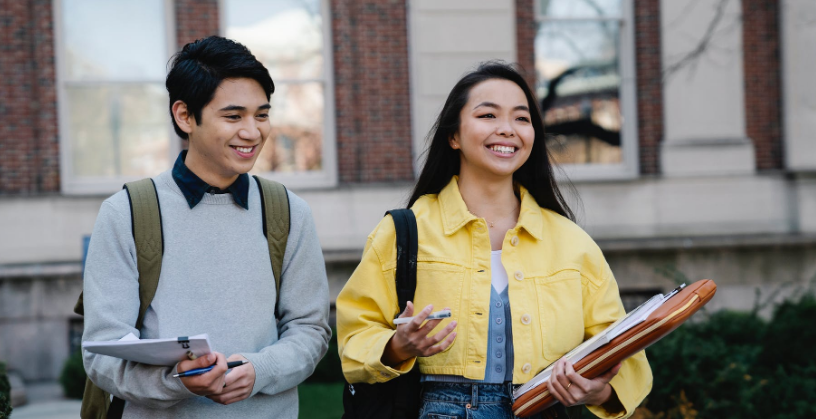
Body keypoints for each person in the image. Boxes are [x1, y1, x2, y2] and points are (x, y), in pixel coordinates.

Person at [336, 62, 652, 419]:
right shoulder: (403, 232)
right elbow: (354, 339)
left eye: (521, 119)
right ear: (453, 136)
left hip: (544, 409)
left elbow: (626, 353)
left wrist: (600, 390)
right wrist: (397, 347)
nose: (507, 130)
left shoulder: (572, 242)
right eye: (488, 115)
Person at [81, 36, 331, 418]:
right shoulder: (126, 213)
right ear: (184, 116)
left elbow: (311, 331)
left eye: (261, 115)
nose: (252, 132)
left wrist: (260, 371)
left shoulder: (289, 212)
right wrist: (175, 380)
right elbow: (101, 351)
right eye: (233, 117)